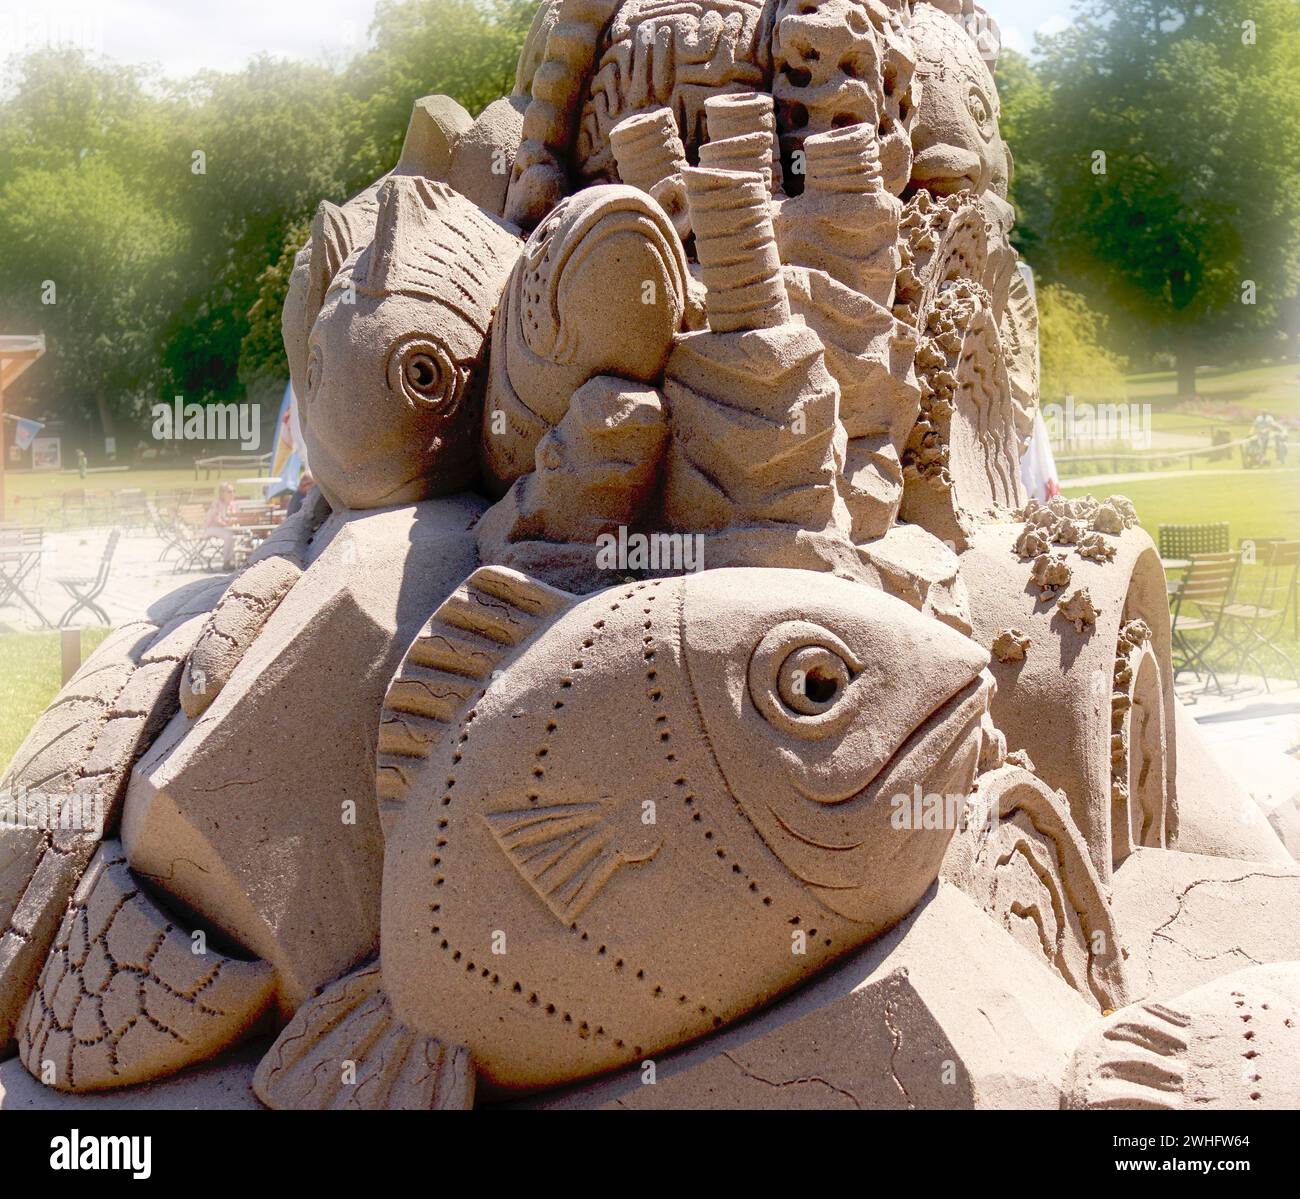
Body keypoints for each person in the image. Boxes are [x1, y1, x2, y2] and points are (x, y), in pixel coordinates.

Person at [204, 482, 240, 571]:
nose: (232, 494)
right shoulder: (217, 504)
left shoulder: (232, 504)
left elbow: (235, 517)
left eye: (233, 491)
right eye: (229, 491)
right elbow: (216, 519)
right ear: (222, 493)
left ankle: (231, 560)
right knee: (229, 536)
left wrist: (234, 523)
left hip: (225, 528)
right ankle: (226, 562)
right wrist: (228, 524)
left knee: (234, 536)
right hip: (211, 528)